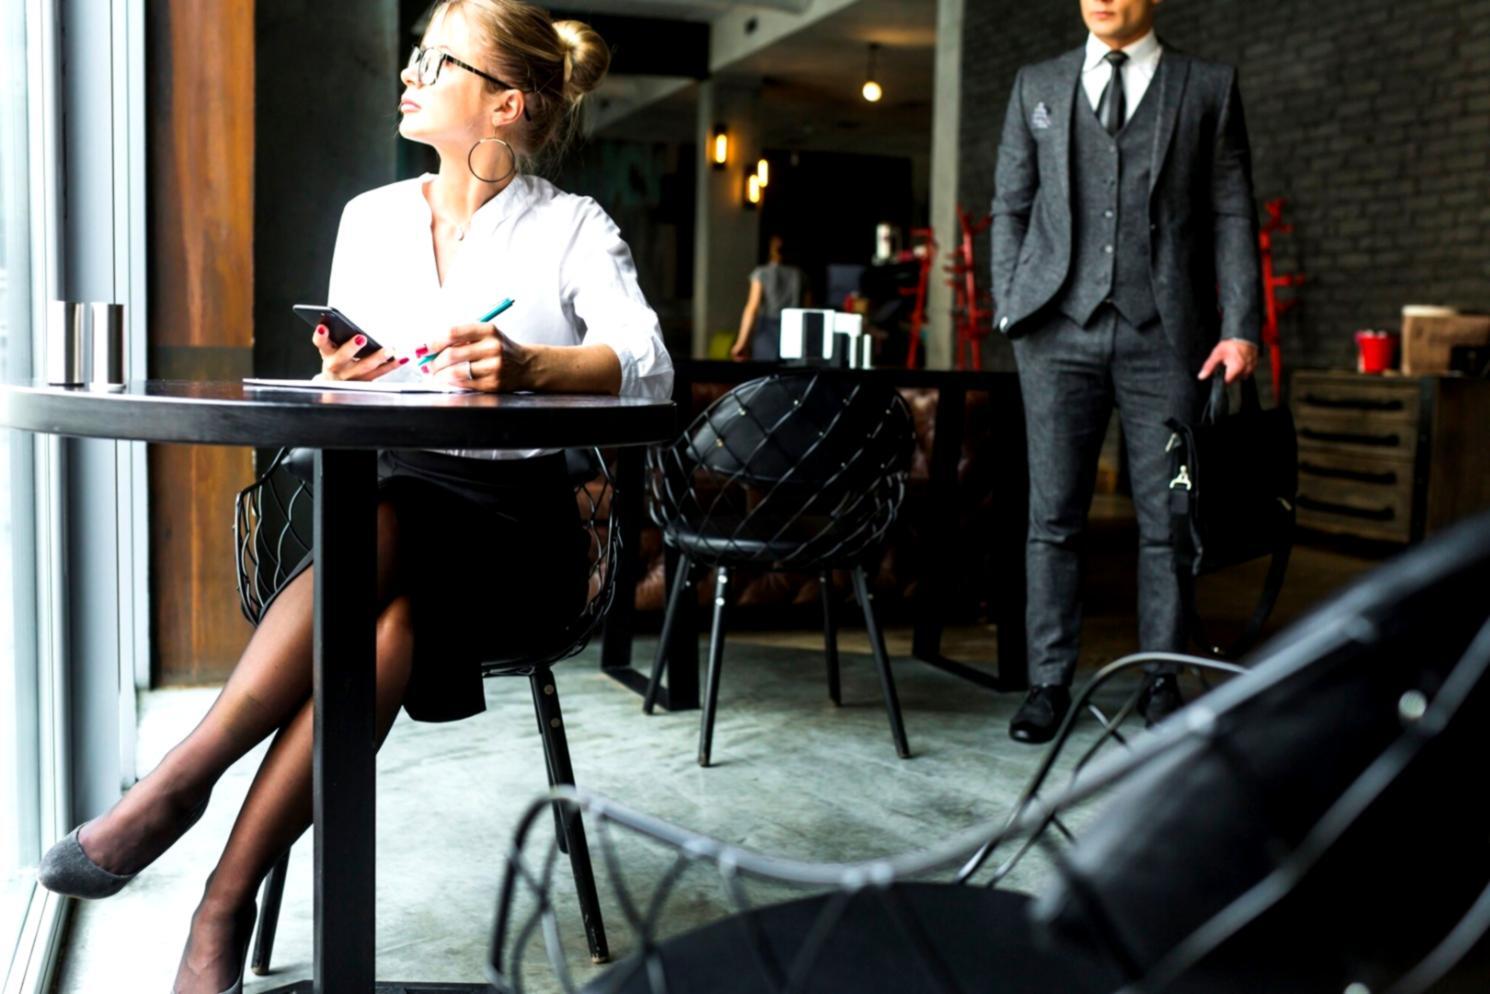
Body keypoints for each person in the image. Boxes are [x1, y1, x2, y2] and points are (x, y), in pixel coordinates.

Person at [35, 3, 672, 992]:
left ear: (505, 102)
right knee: (387, 617)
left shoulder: (571, 227)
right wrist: (350, 379)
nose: (410, 75)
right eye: (415, 55)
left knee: (387, 532)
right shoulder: (370, 218)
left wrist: (529, 364)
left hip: (518, 533)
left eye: (438, 61)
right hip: (391, 512)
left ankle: (176, 787)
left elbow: (647, 363)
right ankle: (221, 902)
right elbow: (355, 389)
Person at [990, 0, 1262, 744]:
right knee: (1052, 519)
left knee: (1168, 519)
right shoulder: (1035, 85)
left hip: (1168, 337)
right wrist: (1011, 303)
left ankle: (1162, 679)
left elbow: (1233, 212)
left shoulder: (1207, 86)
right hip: (1055, 334)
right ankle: (1049, 682)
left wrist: (1240, 328)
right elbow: (1009, 207)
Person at [730, 234, 805, 361]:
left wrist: (741, 342)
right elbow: (807, 309)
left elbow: (752, 308)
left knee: (766, 373)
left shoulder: (761, 273)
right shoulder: (800, 275)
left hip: (768, 330)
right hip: (795, 331)